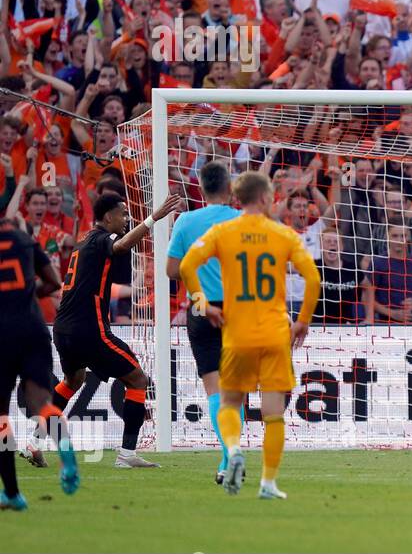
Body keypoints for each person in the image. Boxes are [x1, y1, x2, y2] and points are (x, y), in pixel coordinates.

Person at [179, 171, 321, 499]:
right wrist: (301, 321)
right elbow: (312, 279)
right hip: (274, 332)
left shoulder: (222, 231)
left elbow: (186, 266)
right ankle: (268, 483)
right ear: (265, 197)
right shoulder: (282, 234)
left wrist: (203, 304)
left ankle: (233, 450)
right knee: (273, 414)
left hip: (237, 332)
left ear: (237, 199)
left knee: (229, 402)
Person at [49, 192, 185, 469]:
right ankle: (126, 454)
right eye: (123, 213)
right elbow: (121, 246)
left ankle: (32, 442)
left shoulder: (82, 243)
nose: (126, 218)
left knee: (72, 381)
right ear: (108, 216)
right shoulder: (102, 239)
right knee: (138, 380)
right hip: (90, 329)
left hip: (63, 329)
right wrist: (154, 218)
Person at [165, 162, 241, 485]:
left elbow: (171, 270)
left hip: (201, 306)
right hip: (240, 309)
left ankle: (230, 454)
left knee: (214, 387)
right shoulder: (243, 221)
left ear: (201, 187)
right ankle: (228, 458)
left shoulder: (185, 221)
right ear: (230, 188)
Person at [0, 217, 78, 510]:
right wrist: (27, 296)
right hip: (33, 327)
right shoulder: (24, 240)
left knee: (1, 418)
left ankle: (11, 493)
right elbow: (54, 282)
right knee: (43, 402)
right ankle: (64, 446)